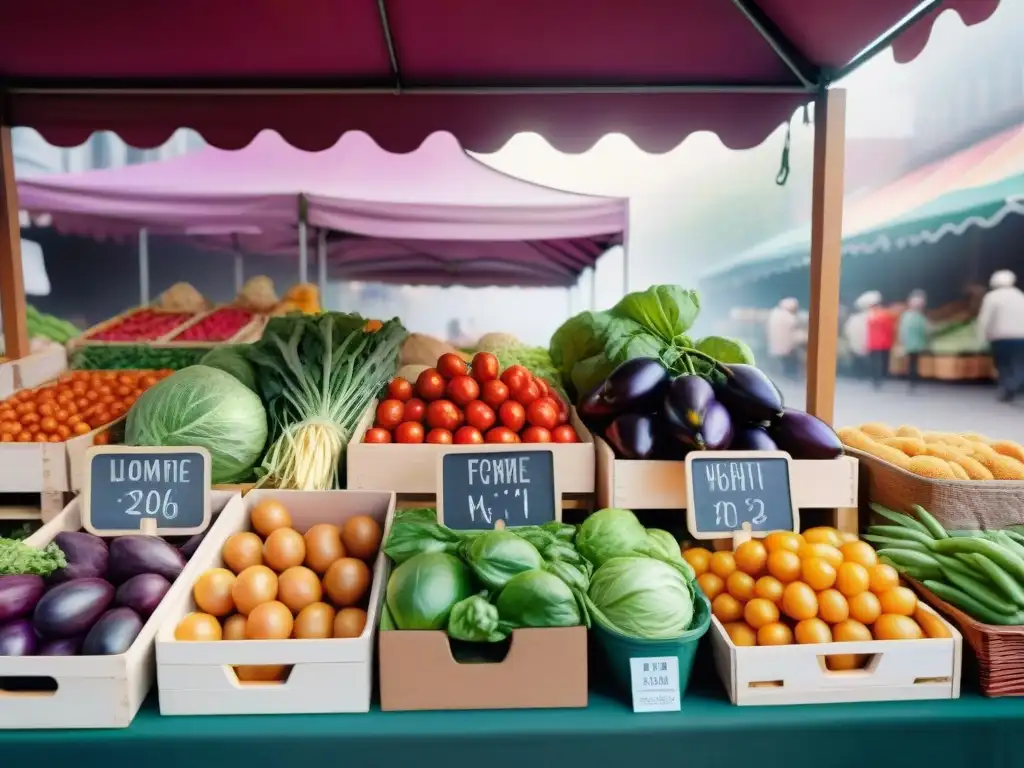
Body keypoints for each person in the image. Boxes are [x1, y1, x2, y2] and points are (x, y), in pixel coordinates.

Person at [978, 270, 1024, 402]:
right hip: (1021, 337)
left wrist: (982, 336)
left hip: (1000, 337)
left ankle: (1007, 388)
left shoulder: (992, 296)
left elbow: (985, 319)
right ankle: (1013, 386)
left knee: (1003, 365)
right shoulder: (1020, 295)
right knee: (1019, 364)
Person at [897, 291, 930, 392]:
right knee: (914, 363)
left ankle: (912, 381)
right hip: (916, 344)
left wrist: (901, 341)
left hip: (911, 343)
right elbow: (926, 330)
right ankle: (913, 381)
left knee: (912, 363)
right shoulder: (919, 317)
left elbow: (902, 330)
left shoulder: (907, 316)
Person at [866, 293, 895, 389]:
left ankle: (875, 379)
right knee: (881, 362)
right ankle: (879, 379)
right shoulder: (885, 316)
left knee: (874, 362)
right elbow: (890, 329)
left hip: (872, 343)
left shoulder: (870, 316)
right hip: (883, 343)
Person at [844, 292, 877, 379]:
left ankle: (862, 374)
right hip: (861, 342)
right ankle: (861, 374)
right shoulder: (858, 318)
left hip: (866, 342)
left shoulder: (864, 317)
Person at [766, 297, 800, 379]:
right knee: (790, 360)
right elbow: (794, 332)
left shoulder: (774, 313)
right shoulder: (789, 317)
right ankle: (791, 375)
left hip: (774, 346)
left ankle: (782, 374)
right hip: (787, 347)